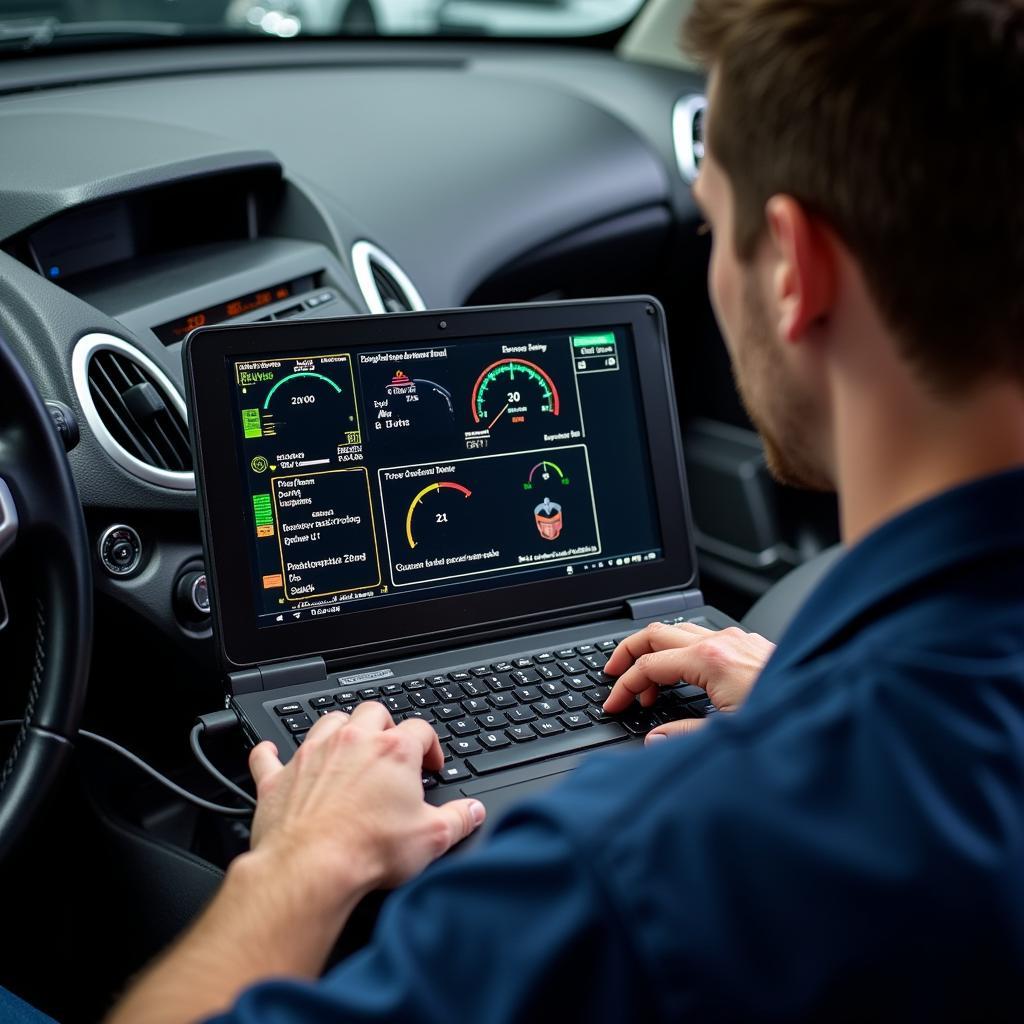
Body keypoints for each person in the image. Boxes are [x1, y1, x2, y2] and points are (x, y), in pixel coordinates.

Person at [108, 1, 1024, 1021]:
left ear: (793, 271)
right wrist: (819, 694)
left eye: (713, 225)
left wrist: (301, 863)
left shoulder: (633, 864)